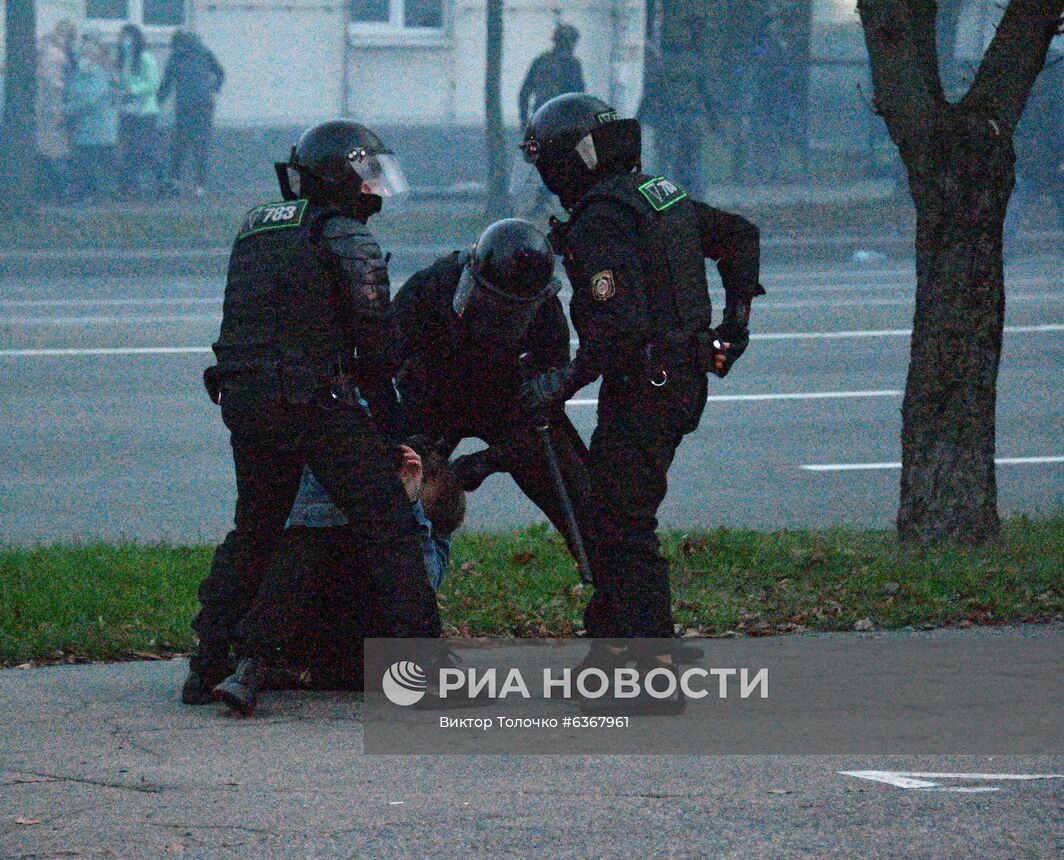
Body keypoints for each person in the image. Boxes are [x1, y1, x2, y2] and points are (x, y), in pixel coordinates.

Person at [185, 120, 438, 716]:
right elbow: (377, 351)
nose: (375, 190)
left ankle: (207, 665)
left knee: (256, 531)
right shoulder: (347, 237)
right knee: (390, 527)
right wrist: (396, 433)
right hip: (313, 403)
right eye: (368, 175)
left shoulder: (256, 228)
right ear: (341, 176)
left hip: (244, 402)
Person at [517, 94, 761, 700]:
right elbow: (739, 235)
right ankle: (611, 655)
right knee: (609, 512)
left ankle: (652, 675)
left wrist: (558, 385)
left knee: (623, 525)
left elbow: (612, 333)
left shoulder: (601, 219)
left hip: (646, 385)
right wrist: (734, 324)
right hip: (675, 378)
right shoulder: (657, 192)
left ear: (565, 161)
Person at [391, 218, 600, 572]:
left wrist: (491, 460)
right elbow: (383, 357)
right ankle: (396, 586)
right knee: (392, 496)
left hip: (509, 407)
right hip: (435, 398)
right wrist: (413, 444)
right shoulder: (431, 286)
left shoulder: (546, 312)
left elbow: (548, 404)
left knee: (583, 497)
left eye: (510, 313)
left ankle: (608, 580)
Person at [227, 446, 466, 701]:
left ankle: (304, 670)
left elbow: (425, 581)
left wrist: (410, 508)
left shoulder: (434, 514)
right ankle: (268, 662)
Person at [640, 18, 719, 199]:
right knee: (693, 163)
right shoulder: (697, 64)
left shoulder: (662, 66)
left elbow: (652, 94)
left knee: (666, 164)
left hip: (670, 119)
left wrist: (641, 118)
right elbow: (707, 95)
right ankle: (698, 201)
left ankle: (665, 203)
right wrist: (714, 121)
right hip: (694, 120)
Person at [1005, 52, 1064, 256]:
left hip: (1037, 164)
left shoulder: (1027, 98)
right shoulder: (1052, 97)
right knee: (1014, 207)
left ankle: (1002, 252)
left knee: (1014, 207)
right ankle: (1002, 251)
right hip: (1046, 164)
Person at [157, 31, 224, 197]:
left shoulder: (189, 55)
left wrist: (214, 90)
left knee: (190, 145)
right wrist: (213, 89)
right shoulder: (200, 53)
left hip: (195, 107)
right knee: (189, 145)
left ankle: (190, 183)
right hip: (193, 106)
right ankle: (190, 183)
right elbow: (220, 73)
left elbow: (166, 84)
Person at [64, 37, 119, 203]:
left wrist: (68, 110)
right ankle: (89, 192)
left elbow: (90, 99)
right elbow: (71, 92)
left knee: (97, 161)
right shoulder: (81, 73)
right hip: (86, 127)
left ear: (93, 57)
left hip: (99, 126)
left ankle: (103, 192)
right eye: (82, 54)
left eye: (86, 54)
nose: (83, 58)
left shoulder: (98, 74)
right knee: (86, 162)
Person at [116, 24, 162, 198]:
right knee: (129, 149)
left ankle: (161, 180)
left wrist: (132, 89)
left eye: (127, 37)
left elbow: (153, 83)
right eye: (122, 38)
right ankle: (129, 186)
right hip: (129, 110)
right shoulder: (126, 58)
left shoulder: (146, 57)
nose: (124, 41)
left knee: (144, 148)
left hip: (145, 111)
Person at [35, 20, 76, 204]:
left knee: (46, 150)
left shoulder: (45, 51)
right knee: (57, 152)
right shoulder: (55, 56)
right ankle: (63, 192)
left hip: (44, 109)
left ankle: (47, 192)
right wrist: (61, 109)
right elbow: (55, 86)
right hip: (52, 110)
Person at [518, 24, 586, 129]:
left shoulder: (540, 61)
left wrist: (524, 122)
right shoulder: (572, 64)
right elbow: (579, 96)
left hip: (540, 120)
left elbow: (524, 93)